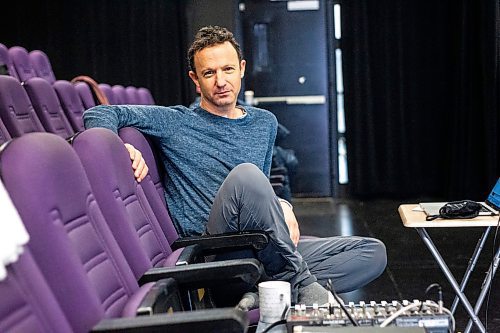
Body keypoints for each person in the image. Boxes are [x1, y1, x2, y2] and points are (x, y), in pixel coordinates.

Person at [83, 26, 387, 305]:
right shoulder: (176, 121)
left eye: (228, 69)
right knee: (246, 175)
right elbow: (98, 113)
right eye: (209, 73)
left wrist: (282, 203)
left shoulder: (264, 123)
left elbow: (263, 189)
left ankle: (265, 292)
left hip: (265, 249)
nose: (221, 81)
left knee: (372, 253)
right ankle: (300, 283)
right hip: (219, 253)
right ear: (195, 80)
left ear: (241, 69)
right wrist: (119, 147)